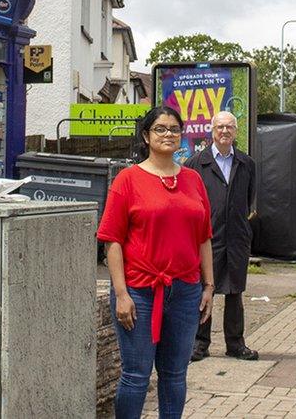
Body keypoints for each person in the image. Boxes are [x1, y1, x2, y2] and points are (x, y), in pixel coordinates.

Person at [97, 105, 216, 419]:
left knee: (175, 374)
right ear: (146, 136)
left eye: (174, 129)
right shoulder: (127, 180)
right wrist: (121, 294)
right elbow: (112, 240)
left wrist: (209, 285)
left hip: (186, 291)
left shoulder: (193, 180)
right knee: (136, 376)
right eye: (160, 129)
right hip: (139, 291)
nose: (168, 134)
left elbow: (204, 236)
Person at [185, 111, 259, 361]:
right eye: (220, 127)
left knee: (235, 292)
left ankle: (235, 344)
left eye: (229, 127)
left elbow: (249, 200)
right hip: (208, 238)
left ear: (235, 132)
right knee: (204, 290)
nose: (225, 131)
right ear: (212, 131)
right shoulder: (196, 163)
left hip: (237, 237)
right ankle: (199, 343)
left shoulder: (246, 164)